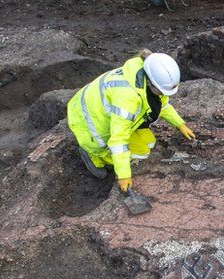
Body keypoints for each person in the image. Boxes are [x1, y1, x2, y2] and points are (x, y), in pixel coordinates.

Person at [67, 50, 196, 195]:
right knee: (130, 153)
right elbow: (118, 140)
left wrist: (180, 124)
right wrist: (124, 175)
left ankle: (107, 156)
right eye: (161, 91)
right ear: (150, 82)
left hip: (104, 113)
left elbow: (162, 104)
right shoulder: (126, 98)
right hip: (89, 123)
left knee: (148, 145)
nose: (164, 94)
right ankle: (93, 156)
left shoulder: (146, 73)